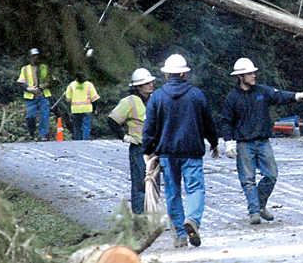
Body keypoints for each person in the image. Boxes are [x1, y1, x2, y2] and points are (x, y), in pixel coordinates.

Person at [221, 57, 303, 225]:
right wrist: (228, 142)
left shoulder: (262, 91)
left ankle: (260, 206)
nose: (254, 75)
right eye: (250, 73)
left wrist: (297, 96)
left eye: (254, 72)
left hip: (263, 142)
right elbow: (227, 121)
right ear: (240, 76)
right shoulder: (232, 98)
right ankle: (254, 212)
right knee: (247, 180)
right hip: (244, 143)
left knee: (271, 175)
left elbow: (280, 96)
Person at [143, 54, 219, 249]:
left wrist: (148, 150)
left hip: (167, 154)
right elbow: (208, 122)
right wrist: (214, 142)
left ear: (167, 74)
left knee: (172, 192)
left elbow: (149, 127)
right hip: (192, 152)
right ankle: (192, 219)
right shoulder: (196, 94)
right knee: (195, 188)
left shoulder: (157, 97)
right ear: (184, 72)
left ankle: (179, 234)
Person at [109, 68, 156, 214]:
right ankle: (140, 220)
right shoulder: (129, 102)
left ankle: (152, 217)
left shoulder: (156, 99)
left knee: (154, 185)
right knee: (140, 185)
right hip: (139, 148)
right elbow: (112, 121)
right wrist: (124, 136)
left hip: (155, 148)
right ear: (138, 87)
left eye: (150, 82)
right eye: (146, 83)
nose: (150, 85)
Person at [17, 48, 54, 141]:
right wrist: (29, 89)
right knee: (30, 116)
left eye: (37, 56)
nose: (35, 58)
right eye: (33, 56)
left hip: (43, 96)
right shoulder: (25, 69)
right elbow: (20, 82)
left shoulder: (44, 68)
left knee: (44, 116)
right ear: (29, 58)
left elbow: (52, 80)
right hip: (31, 97)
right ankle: (32, 132)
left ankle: (43, 135)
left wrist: (44, 85)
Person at [65, 73, 100, 140]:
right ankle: (85, 140)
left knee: (77, 127)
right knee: (86, 127)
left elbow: (68, 100)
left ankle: (78, 141)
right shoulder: (89, 85)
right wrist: (94, 109)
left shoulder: (71, 85)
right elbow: (94, 99)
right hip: (87, 109)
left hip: (76, 109)